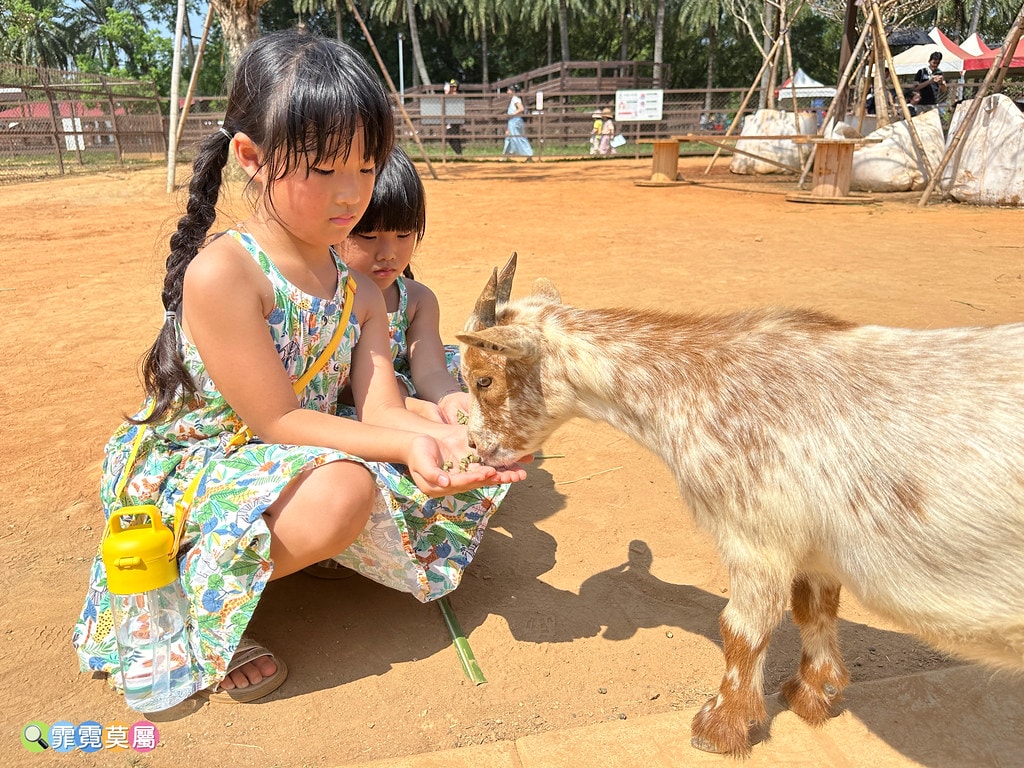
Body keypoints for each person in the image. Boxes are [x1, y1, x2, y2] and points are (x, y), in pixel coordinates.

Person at [72, 29, 527, 706]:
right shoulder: (225, 273)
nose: (354, 195)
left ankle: (276, 555)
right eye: (324, 170)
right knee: (343, 490)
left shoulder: (360, 289)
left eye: (368, 166)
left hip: (291, 450)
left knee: (442, 467)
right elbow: (277, 420)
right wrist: (412, 442)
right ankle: (193, 609)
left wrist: (452, 437)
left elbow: (380, 410)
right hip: (211, 460)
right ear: (253, 158)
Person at [336, 145, 469, 425]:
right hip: (355, 406)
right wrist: (407, 403)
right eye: (369, 236)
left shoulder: (416, 299)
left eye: (404, 234)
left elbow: (430, 370)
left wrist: (449, 399)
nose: (388, 253)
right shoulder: (330, 296)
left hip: (402, 395)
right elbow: (341, 387)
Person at [502, 85, 534, 159]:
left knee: (519, 137)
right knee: (509, 137)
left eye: (508, 90)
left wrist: (511, 114)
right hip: (512, 121)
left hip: (515, 120)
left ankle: (528, 154)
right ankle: (506, 155)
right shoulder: (514, 99)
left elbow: (521, 109)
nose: (507, 92)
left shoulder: (515, 99)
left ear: (513, 91)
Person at [443, 79, 463, 156]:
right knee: (451, 137)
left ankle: (459, 153)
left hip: (455, 120)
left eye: (454, 87)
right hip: (450, 120)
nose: (452, 88)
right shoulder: (450, 96)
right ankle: (459, 153)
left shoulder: (457, 96)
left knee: (453, 136)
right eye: (451, 87)